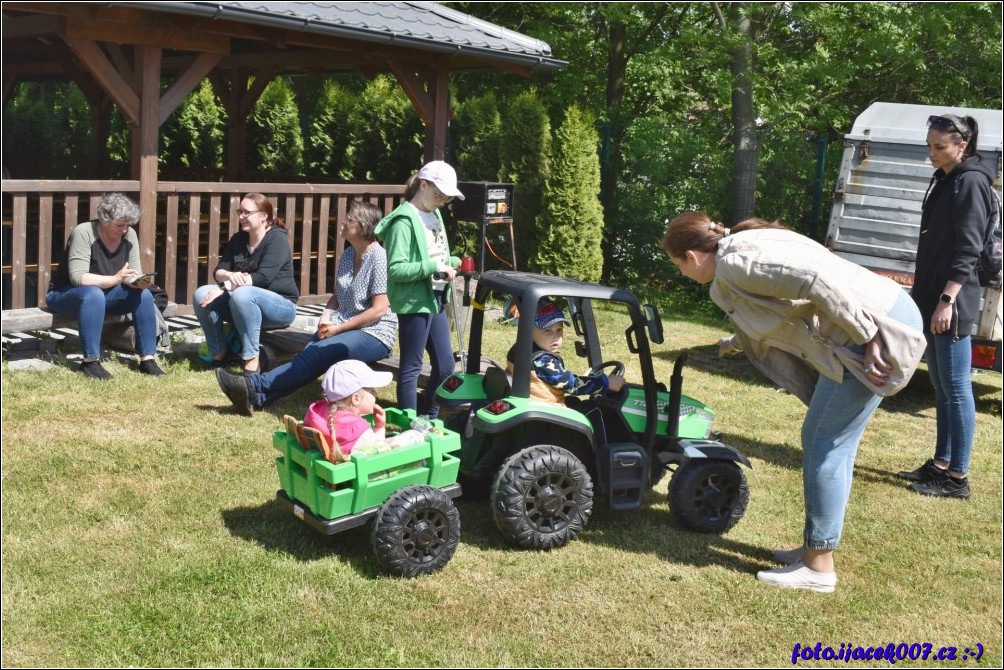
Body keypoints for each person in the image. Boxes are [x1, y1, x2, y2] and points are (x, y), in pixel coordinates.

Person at [661, 211, 926, 593]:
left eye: (678, 265)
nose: (682, 273)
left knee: (823, 444)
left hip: (877, 324)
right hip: (882, 310)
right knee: (831, 443)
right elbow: (779, 307)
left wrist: (869, 336)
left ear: (692, 255)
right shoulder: (738, 249)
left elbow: (816, 280)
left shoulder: (735, 262)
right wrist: (735, 342)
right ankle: (815, 548)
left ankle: (819, 568)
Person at [215, 200, 397, 415]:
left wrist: (338, 329)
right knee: (309, 355)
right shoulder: (349, 255)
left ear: (364, 225)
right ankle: (257, 399)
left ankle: (254, 385)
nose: (342, 222)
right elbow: (338, 296)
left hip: (374, 333)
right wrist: (326, 316)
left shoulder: (379, 258)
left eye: (349, 219)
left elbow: (378, 310)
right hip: (344, 326)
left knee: (316, 354)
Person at [897, 114, 995, 500]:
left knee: (956, 387)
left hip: (953, 300)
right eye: (929, 145)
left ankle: (957, 477)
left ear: (962, 146)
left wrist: (947, 300)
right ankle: (940, 464)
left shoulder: (971, 183)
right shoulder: (947, 179)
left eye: (939, 147)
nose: (931, 153)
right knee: (941, 386)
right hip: (933, 295)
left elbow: (969, 248)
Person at [374, 160, 465, 418]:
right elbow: (396, 270)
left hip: (435, 297)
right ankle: (409, 425)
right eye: (438, 195)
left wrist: (450, 262)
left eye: (447, 198)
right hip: (414, 300)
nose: (442, 201)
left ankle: (428, 416)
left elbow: (434, 255)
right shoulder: (403, 222)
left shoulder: (434, 214)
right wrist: (434, 266)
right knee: (412, 366)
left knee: (446, 366)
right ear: (423, 185)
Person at [45, 192, 164, 380]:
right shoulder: (84, 232)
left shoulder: (130, 235)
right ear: (104, 219)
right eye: (120, 225)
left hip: (105, 296)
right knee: (93, 294)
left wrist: (138, 281)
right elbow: (78, 277)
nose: (124, 229)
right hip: (65, 295)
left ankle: (148, 360)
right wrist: (115, 279)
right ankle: (90, 362)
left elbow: (132, 273)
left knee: (144, 295)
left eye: (128, 225)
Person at [193, 193, 299, 375]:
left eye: (247, 212)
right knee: (201, 293)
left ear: (263, 215)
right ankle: (219, 353)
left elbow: (262, 278)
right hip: (243, 304)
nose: (241, 216)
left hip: (280, 307)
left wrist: (225, 286)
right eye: (240, 212)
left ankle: (251, 361)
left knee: (242, 293)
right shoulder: (239, 239)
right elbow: (218, 272)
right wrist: (229, 275)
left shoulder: (277, 239)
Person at [302, 359, 424, 462]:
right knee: (414, 436)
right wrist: (380, 427)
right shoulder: (358, 429)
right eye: (372, 390)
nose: (375, 394)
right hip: (360, 474)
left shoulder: (317, 412)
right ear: (356, 399)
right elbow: (380, 451)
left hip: (331, 471)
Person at [508, 299, 625, 403]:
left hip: (539, 401)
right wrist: (606, 382)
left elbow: (560, 381)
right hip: (549, 410)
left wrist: (583, 379)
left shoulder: (523, 348)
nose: (556, 337)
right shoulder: (542, 360)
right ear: (529, 330)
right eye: (548, 331)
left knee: (574, 402)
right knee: (594, 411)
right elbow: (572, 385)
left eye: (559, 330)